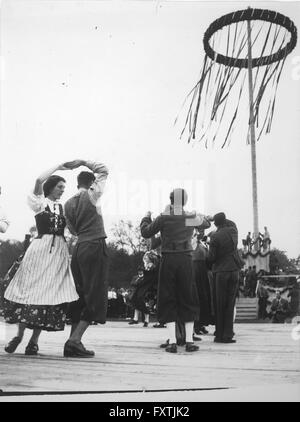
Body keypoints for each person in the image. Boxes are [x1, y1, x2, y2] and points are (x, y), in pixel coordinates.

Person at [4, 163, 79, 355]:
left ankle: (33, 342)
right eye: (60, 186)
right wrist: (59, 167)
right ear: (51, 187)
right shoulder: (40, 203)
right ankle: (19, 336)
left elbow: (72, 229)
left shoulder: (62, 208)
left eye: (64, 187)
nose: (63, 190)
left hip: (58, 253)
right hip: (39, 250)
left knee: (48, 295)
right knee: (30, 291)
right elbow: (38, 180)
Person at [140, 188, 211, 353]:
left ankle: (172, 341)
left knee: (168, 297)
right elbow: (206, 223)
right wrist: (197, 214)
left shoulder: (164, 217)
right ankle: (189, 341)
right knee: (188, 297)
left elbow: (146, 232)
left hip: (169, 259)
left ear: (171, 200)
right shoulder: (189, 218)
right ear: (185, 201)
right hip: (186, 259)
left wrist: (146, 217)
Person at [64, 159, 109, 358]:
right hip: (94, 244)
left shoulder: (68, 203)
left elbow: (72, 230)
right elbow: (104, 170)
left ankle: (74, 341)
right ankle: (74, 341)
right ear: (91, 183)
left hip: (79, 246)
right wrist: (82, 161)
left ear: (76, 184)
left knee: (79, 294)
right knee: (96, 293)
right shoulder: (93, 194)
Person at [207, 212, 241, 344]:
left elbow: (211, 258)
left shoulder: (215, 236)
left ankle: (219, 335)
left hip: (221, 271)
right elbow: (230, 223)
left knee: (219, 304)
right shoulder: (233, 230)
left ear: (215, 224)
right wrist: (216, 218)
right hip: (234, 270)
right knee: (230, 304)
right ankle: (228, 334)